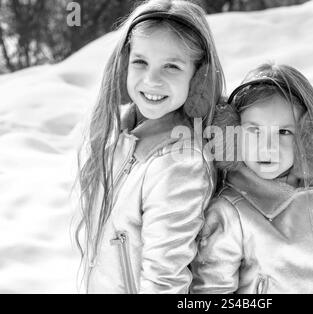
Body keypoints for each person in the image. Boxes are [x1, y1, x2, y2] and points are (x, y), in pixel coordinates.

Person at [75, 0, 225, 294]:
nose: (152, 79)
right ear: (123, 67)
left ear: (199, 79)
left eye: (171, 66)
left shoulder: (180, 162)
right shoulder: (119, 136)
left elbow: (165, 282)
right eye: (140, 62)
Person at [191, 63, 313, 294]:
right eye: (254, 130)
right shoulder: (229, 213)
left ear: (308, 138)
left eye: (284, 132)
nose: (268, 147)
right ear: (230, 133)